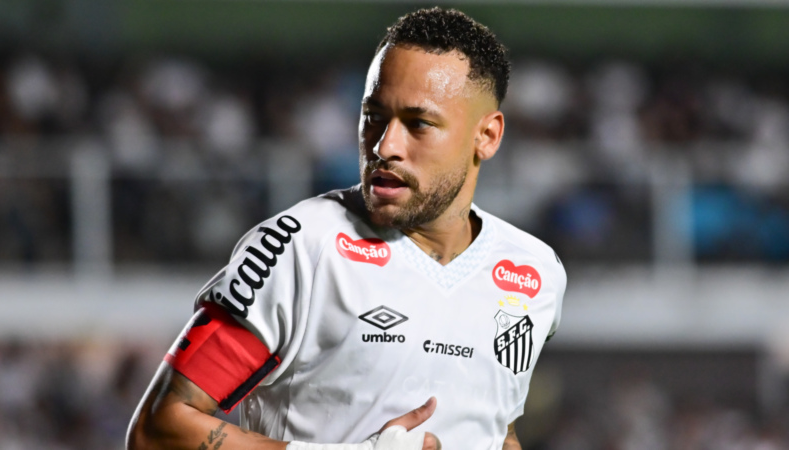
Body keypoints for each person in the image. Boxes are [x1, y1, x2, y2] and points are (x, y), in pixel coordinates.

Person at [127, 7, 566, 450]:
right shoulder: (299, 248)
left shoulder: (536, 272)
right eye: (373, 116)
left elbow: (498, 430)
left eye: (419, 123)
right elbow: (157, 429)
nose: (385, 145)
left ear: (486, 136)